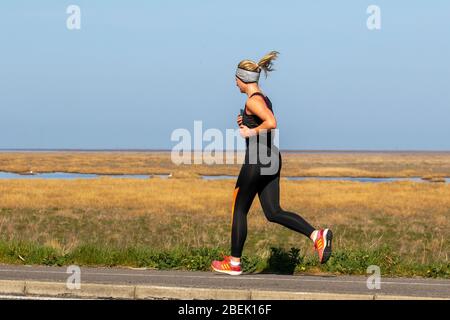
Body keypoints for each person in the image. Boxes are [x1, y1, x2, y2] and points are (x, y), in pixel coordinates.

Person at [211, 51, 333, 275]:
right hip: (271, 158)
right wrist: (246, 121)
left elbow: (271, 122)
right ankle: (317, 235)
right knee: (273, 212)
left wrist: (251, 131)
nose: (235, 83)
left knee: (239, 208)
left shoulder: (253, 100)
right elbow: (263, 117)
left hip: (257, 159)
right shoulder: (262, 99)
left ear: (243, 78)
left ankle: (234, 262)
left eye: (235, 79)